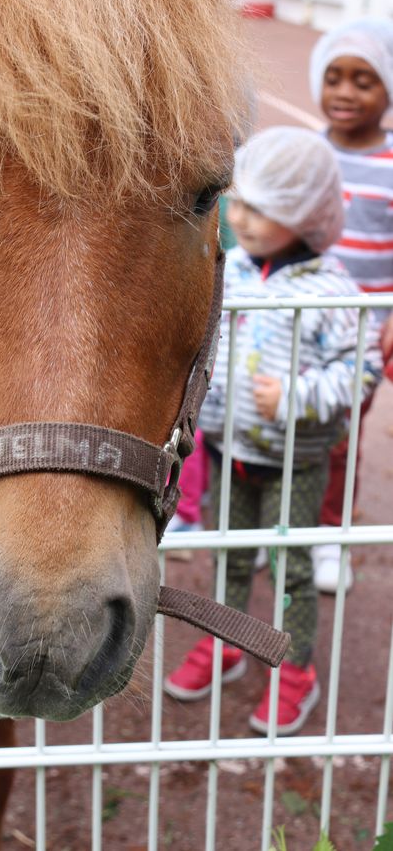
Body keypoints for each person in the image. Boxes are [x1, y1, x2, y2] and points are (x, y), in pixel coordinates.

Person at [164, 127, 382, 736]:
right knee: (227, 555)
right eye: (240, 201)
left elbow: (360, 369)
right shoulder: (227, 269)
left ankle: (295, 670)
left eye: (266, 209)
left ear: (307, 216)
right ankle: (228, 642)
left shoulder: (331, 290)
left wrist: (297, 397)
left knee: (290, 570)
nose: (242, 217)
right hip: (225, 447)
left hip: (295, 460)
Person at [309, 18, 393, 593]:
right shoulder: (306, 155)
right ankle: (281, 524)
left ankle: (329, 533)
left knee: (341, 437)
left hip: (360, 335)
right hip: (299, 327)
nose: (345, 92)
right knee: (288, 427)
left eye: (364, 81)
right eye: (335, 78)